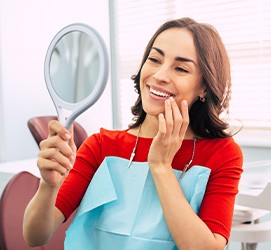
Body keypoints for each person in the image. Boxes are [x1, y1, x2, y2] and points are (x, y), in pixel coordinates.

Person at [23, 17, 243, 249]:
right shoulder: (101, 146)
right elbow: (36, 236)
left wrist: (160, 166)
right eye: (154, 59)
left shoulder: (223, 154)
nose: (160, 75)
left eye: (180, 68)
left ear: (204, 87)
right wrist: (48, 187)